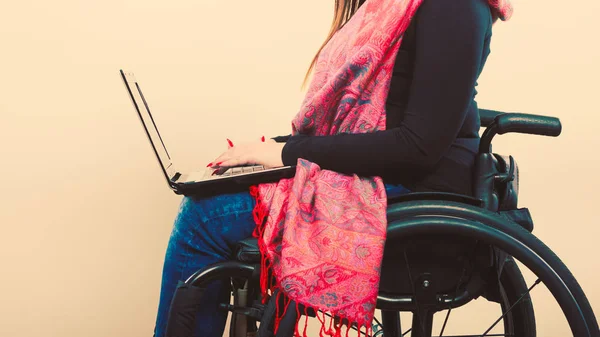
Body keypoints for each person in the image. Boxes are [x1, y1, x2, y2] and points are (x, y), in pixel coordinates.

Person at [153, 0, 499, 335]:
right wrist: (271, 150)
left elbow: (417, 146)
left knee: (205, 216)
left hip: (417, 188)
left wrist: (288, 153)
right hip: (385, 173)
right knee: (215, 194)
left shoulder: (453, 6)